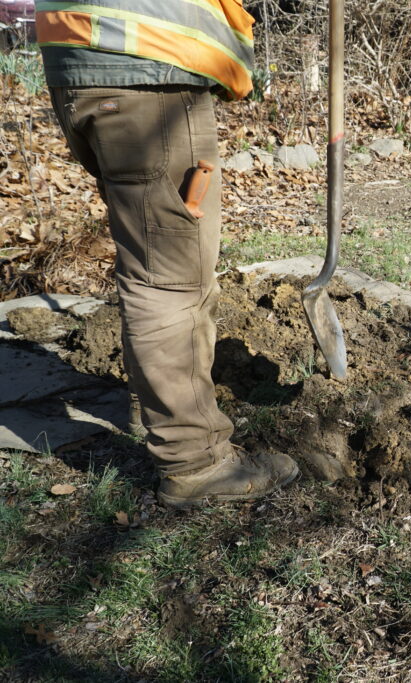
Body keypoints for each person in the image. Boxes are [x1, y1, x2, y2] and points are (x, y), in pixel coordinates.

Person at [36, 1, 299, 507]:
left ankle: (149, 407)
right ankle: (194, 463)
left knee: (148, 256)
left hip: (84, 61)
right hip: (145, 68)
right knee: (171, 280)